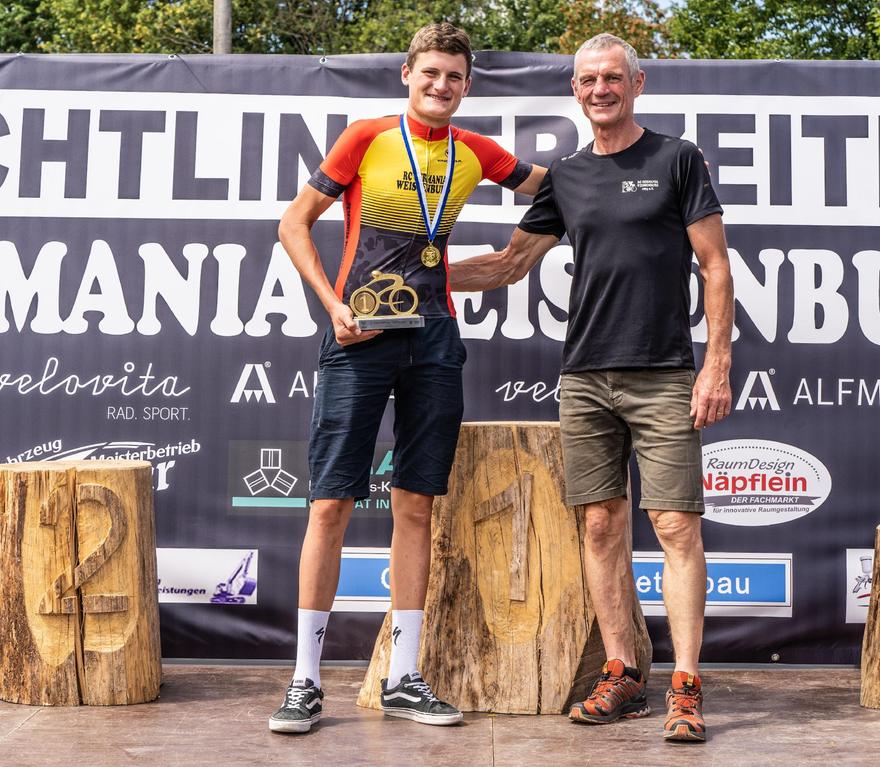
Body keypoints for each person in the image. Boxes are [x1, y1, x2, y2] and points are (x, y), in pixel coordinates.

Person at [449, 33, 733, 743]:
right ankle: (622, 673)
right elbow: (511, 264)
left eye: (612, 77)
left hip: (665, 372)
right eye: (586, 80)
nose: (599, 89)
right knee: (602, 525)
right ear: (574, 91)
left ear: (638, 82)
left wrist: (717, 362)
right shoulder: (566, 179)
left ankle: (687, 684)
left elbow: (716, 266)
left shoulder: (677, 159)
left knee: (675, 525)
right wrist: (424, 273)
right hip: (584, 377)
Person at [269, 22, 545, 734]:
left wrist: (522, 252)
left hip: (435, 338)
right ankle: (304, 681)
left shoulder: (476, 152)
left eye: (454, 76)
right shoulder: (365, 137)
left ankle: (405, 676)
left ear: (467, 85)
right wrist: (332, 306)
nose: (442, 86)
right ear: (407, 75)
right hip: (359, 337)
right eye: (431, 73)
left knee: (417, 506)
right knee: (330, 504)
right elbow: (294, 223)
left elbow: (556, 190)